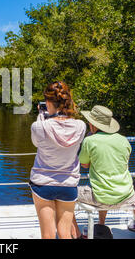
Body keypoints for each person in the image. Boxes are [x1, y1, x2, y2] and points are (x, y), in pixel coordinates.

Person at [29, 81, 86, 239]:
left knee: (47, 235)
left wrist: (41, 116)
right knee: (65, 233)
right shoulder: (81, 126)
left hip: (43, 183)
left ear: (47, 103)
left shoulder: (39, 126)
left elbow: (36, 142)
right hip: (68, 183)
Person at [71, 105, 135, 239]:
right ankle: (101, 224)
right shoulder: (123, 140)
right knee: (105, 185)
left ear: (93, 125)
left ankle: (76, 234)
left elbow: (84, 164)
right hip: (126, 195)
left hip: (100, 197)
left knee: (66, 194)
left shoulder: (89, 140)